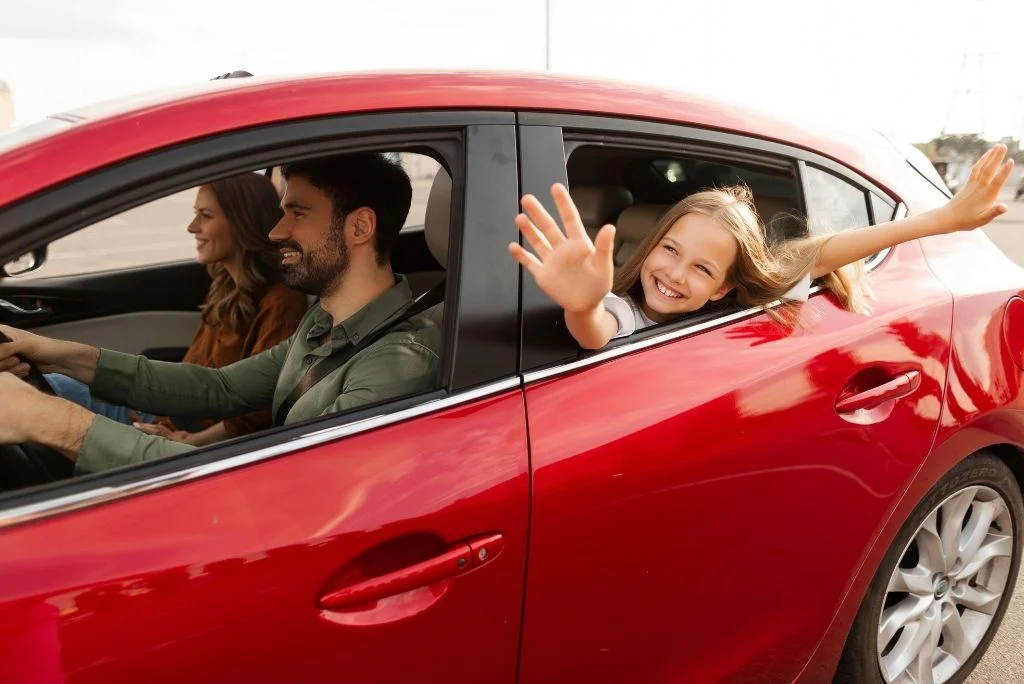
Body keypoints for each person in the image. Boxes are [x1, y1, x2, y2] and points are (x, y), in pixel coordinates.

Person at [0, 152, 441, 473]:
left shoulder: (400, 361)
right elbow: (218, 386)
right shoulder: (323, 322)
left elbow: (280, 485)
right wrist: (52, 352)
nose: (275, 231)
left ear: (360, 227)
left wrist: (54, 423)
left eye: (297, 214)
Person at [509, 145, 1015, 350]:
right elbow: (597, 331)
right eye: (669, 250)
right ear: (650, 248)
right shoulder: (624, 310)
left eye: (702, 268)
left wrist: (942, 220)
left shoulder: (739, 306)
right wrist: (586, 304)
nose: (674, 273)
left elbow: (820, 254)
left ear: (722, 287)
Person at [44, 171, 309, 445]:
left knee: (53, 391)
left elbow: (261, 410)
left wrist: (189, 441)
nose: (192, 227)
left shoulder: (281, 302)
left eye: (205, 216)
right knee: (49, 382)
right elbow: (194, 373)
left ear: (242, 222)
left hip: (189, 433)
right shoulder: (227, 287)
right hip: (164, 415)